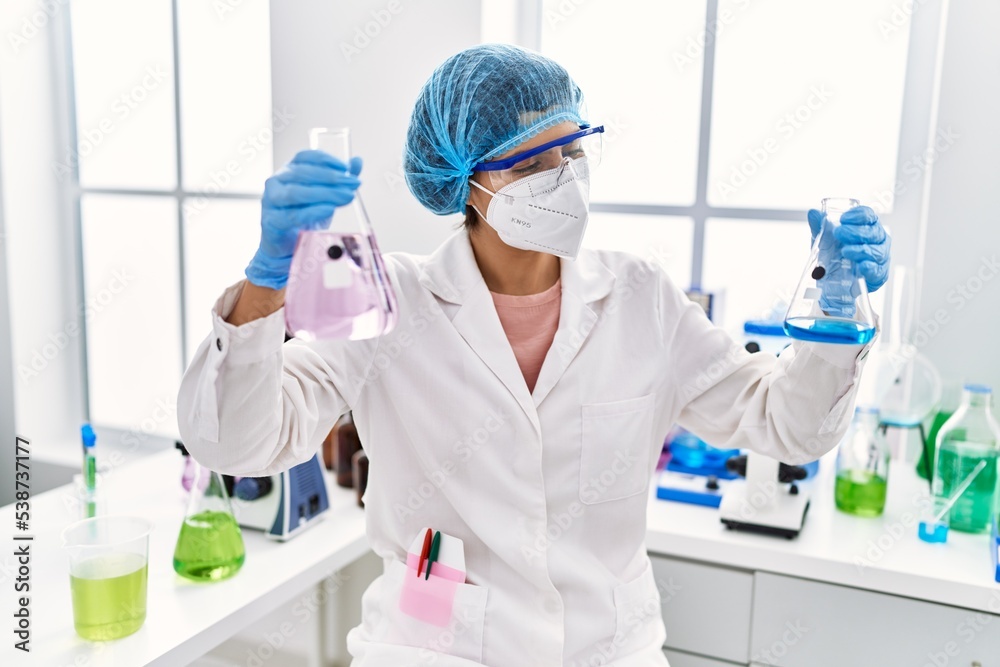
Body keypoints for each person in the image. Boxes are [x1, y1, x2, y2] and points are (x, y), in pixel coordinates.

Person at [178, 44, 889, 666]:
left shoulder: (640, 297)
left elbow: (790, 426)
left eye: (574, 150)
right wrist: (266, 282)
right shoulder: (389, 302)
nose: (567, 175)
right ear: (470, 182)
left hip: (609, 651)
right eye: (535, 160)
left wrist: (834, 310)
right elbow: (240, 442)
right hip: (430, 650)